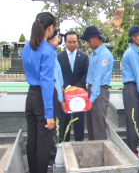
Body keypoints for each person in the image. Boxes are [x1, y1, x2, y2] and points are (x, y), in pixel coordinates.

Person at [22, 12, 61, 173]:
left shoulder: (26, 46)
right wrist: (49, 115)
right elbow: (46, 83)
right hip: (43, 98)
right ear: (50, 28)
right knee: (44, 143)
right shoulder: (48, 51)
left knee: (32, 140)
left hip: (30, 96)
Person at [80, 26, 114, 140]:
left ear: (95, 38)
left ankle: (102, 156)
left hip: (98, 93)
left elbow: (98, 78)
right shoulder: (95, 53)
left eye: (89, 41)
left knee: (98, 128)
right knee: (91, 126)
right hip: (92, 91)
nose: (88, 44)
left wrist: (92, 98)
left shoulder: (103, 54)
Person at [57, 31, 89, 142]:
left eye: (74, 42)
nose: (72, 44)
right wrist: (67, 87)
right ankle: (64, 146)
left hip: (79, 95)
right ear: (65, 42)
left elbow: (86, 74)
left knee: (79, 122)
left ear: (78, 42)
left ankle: (78, 145)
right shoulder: (59, 57)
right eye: (69, 42)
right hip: (64, 95)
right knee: (64, 123)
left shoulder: (84, 57)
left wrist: (75, 88)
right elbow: (58, 75)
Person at [122, 25, 139, 153]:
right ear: (133, 38)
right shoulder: (132, 53)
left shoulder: (134, 51)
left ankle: (132, 149)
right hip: (131, 88)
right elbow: (138, 75)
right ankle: (132, 151)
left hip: (132, 89)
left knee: (133, 120)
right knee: (133, 121)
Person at [47, 31, 66, 166]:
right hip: (53, 95)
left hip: (57, 93)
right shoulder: (49, 53)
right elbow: (55, 80)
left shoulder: (53, 53)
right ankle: (50, 159)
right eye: (57, 35)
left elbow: (59, 78)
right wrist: (61, 99)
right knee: (51, 128)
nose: (59, 38)